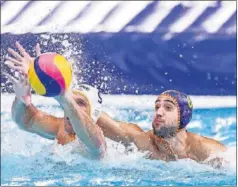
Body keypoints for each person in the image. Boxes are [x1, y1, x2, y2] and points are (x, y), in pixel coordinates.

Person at [4, 42, 227, 166]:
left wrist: (64, 95)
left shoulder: (95, 142)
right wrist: (24, 96)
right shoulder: (62, 127)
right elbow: (27, 120)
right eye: (156, 106)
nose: (158, 111)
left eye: (168, 108)